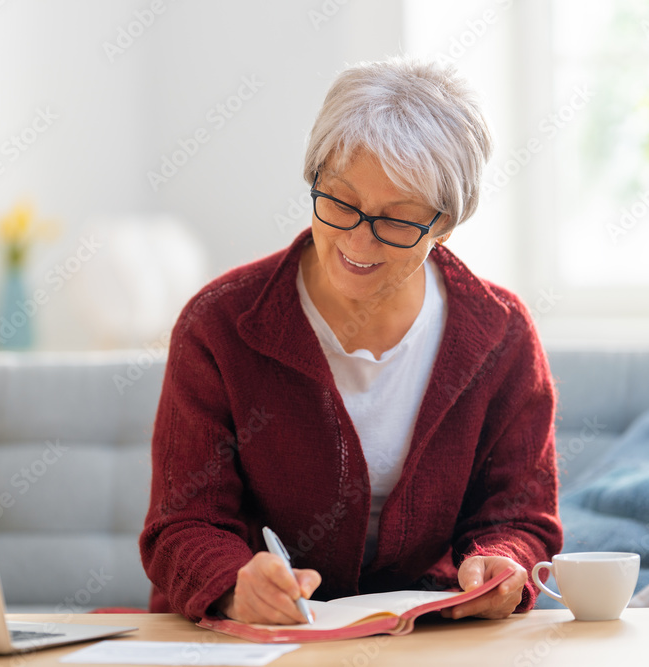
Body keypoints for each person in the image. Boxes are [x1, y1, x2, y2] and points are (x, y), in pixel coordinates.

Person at [139, 56, 562, 625]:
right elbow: (182, 523)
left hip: (429, 640)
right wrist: (236, 586)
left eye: (397, 220)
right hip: (251, 640)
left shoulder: (501, 334)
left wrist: (500, 565)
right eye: (339, 202)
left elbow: (522, 516)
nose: (358, 241)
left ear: (444, 224)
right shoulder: (219, 325)